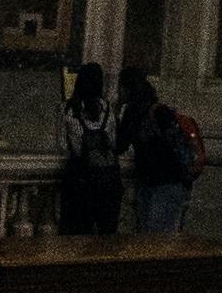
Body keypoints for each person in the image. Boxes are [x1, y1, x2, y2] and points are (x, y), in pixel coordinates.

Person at [124, 68, 201, 239]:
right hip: (159, 180)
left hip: (165, 181)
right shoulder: (146, 112)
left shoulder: (153, 113)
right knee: (153, 235)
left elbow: (121, 143)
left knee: (155, 236)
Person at [55, 60, 125, 237]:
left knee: (75, 231)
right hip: (107, 179)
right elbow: (113, 141)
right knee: (105, 232)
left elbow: (62, 144)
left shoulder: (66, 109)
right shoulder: (108, 109)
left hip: (80, 178)